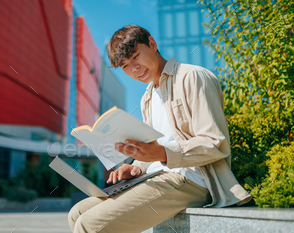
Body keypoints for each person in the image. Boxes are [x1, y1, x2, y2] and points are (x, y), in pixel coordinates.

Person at [68, 25, 252, 233]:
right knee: (76, 213)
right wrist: (136, 167)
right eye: (126, 66)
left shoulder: (192, 77)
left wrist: (164, 153)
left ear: (152, 44)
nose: (134, 68)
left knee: (89, 224)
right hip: (154, 177)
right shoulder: (147, 97)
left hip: (191, 179)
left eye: (136, 56)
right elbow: (152, 145)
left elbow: (214, 143)